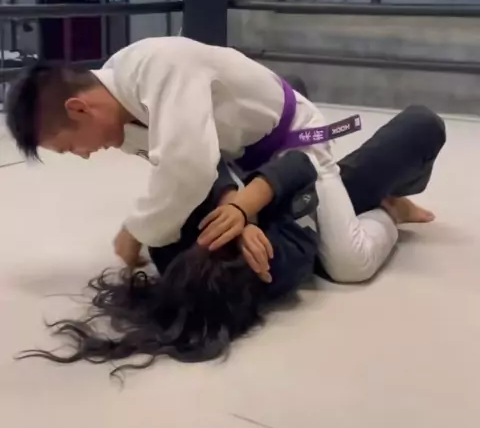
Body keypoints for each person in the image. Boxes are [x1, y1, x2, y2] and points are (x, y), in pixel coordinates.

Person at [18, 107, 445, 373]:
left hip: (255, 174)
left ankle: (390, 197)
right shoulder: (277, 265)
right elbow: (303, 171)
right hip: (308, 197)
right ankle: (392, 207)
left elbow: (205, 165)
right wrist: (254, 210)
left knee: (280, 101)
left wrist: (240, 208)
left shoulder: (169, 246)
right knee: (421, 127)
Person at [6, 36, 445, 285]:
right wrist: (235, 206)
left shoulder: (159, 67)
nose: (83, 155)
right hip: (239, 155)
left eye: (70, 146)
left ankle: (388, 211)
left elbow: (189, 167)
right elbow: (196, 164)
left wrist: (136, 229)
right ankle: (350, 199)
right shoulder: (117, 109)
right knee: (271, 239)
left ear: (79, 109)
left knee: (348, 265)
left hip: (293, 142)